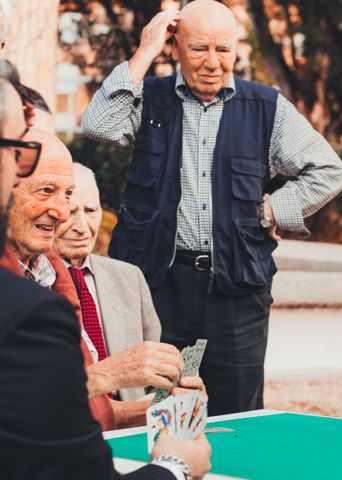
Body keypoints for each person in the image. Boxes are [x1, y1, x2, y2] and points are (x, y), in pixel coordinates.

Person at [82, 0, 342, 415]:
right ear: (176, 48)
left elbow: (329, 170)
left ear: (237, 50)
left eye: (223, 49)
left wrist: (271, 211)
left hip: (236, 288)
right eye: (198, 48)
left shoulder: (266, 107)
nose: (212, 62)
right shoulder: (149, 99)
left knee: (237, 409)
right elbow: (98, 124)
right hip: (157, 283)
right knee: (156, 403)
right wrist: (145, 49)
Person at [0, 78, 211, 480]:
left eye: (72, 197)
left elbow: (50, 409)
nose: (64, 215)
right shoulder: (26, 308)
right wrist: (177, 465)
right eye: (46, 189)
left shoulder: (50, 273)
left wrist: (150, 408)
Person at [54, 162, 162, 403]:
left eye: (91, 210)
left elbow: (155, 376)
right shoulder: (27, 283)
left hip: (132, 433)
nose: (82, 227)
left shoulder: (129, 277)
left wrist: (177, 389)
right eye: (71, 212)